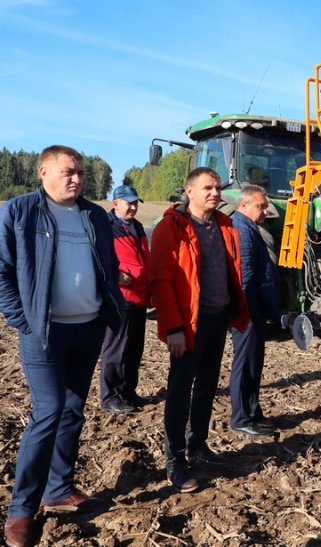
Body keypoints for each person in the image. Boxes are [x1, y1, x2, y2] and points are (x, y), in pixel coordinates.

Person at [0, 145, 123, 547]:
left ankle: (59, 489)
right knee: (49, 411)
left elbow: (109, 265)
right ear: (43, 172)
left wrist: (109, 306)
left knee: (72, 411)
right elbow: (2, 272)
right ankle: (21, 509)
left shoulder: (95, 215)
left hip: (87, 329)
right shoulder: (19, 213)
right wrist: (23, 320)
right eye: (69, 172)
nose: (76, 179)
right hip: (44, 333)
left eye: (81, 173)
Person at [149, 167, 249, 493]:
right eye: (208, 188)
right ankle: (175, 462)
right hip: (188, 322)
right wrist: (173, 327)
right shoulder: (171, 228)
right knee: (180, 391)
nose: (215, 194)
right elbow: (160, 281)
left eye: (218, 188)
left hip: (217, 318)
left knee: (206, 386)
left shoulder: (224, 225)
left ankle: (199, 446)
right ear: (189, 191)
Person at [230, 185, 281, 437]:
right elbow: (245, 276)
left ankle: (253, 411)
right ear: (244, 205)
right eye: (261, 206)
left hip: (255, 309)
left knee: (254, 362)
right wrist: (249, 313)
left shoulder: (250, 227)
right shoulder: (241, 229)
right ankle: (240, 417)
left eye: (265, 205)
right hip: (247, 310)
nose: (265, 211)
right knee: (245, 363)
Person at [99, 185, 152, 414]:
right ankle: (110, 396)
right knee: (116, 349)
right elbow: (98, 258)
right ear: (115, 203)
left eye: (135, 202)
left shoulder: (137, 226)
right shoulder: (106, 228)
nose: (132, 207)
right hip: (120, 297)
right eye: (128, 202)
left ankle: (128, 391)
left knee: (134, 349)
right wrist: (115, 274)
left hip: (139, 297)